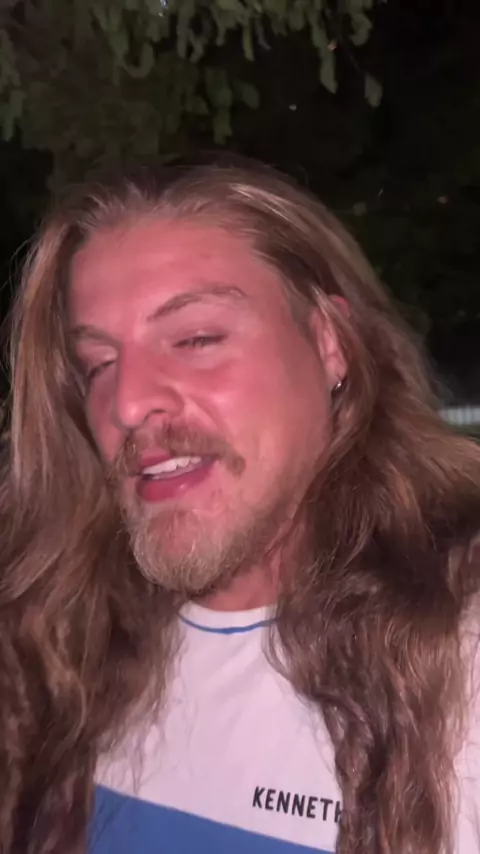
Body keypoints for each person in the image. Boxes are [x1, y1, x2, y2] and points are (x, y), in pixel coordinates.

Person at [1, 156, 480, 854]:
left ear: (330, 344)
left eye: (196, 339)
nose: (128, 404)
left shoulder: (456, 656)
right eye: (98, 365)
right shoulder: (53, 650)